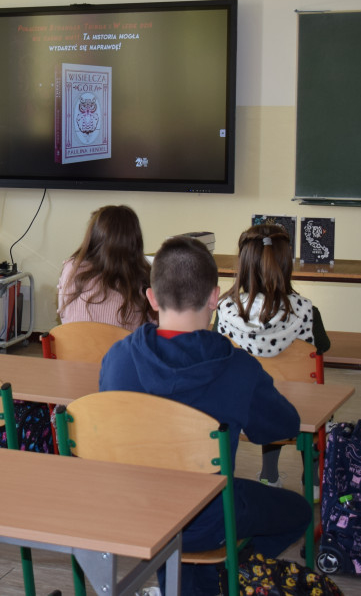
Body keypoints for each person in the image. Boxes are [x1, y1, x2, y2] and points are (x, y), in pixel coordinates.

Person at [100, 236, 311, 596]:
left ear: (151, 297)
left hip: (134, 512)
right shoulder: (239, 368)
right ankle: (223, 579)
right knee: (298, 511)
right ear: (215, 297)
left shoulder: (117, 358)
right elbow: (284, 426)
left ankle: (186, 581)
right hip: (205, 521)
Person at [216, 223, 330, 488]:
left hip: (242, 411)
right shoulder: (307, 311)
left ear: (243, 264)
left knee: (265, 388)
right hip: (299, 412)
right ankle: (312, 481)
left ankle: (269, 475)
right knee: (300, 393)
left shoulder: (225, 310)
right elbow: (322, 347)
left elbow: (218, 348)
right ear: (286, 263)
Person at [57, 205, 154, 330]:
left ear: (93, 236)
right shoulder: (143, 277)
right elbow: (155, 330)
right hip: (123, 349)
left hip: (75, 348)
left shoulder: (71, 268)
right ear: (135, 242)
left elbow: (64, 315)